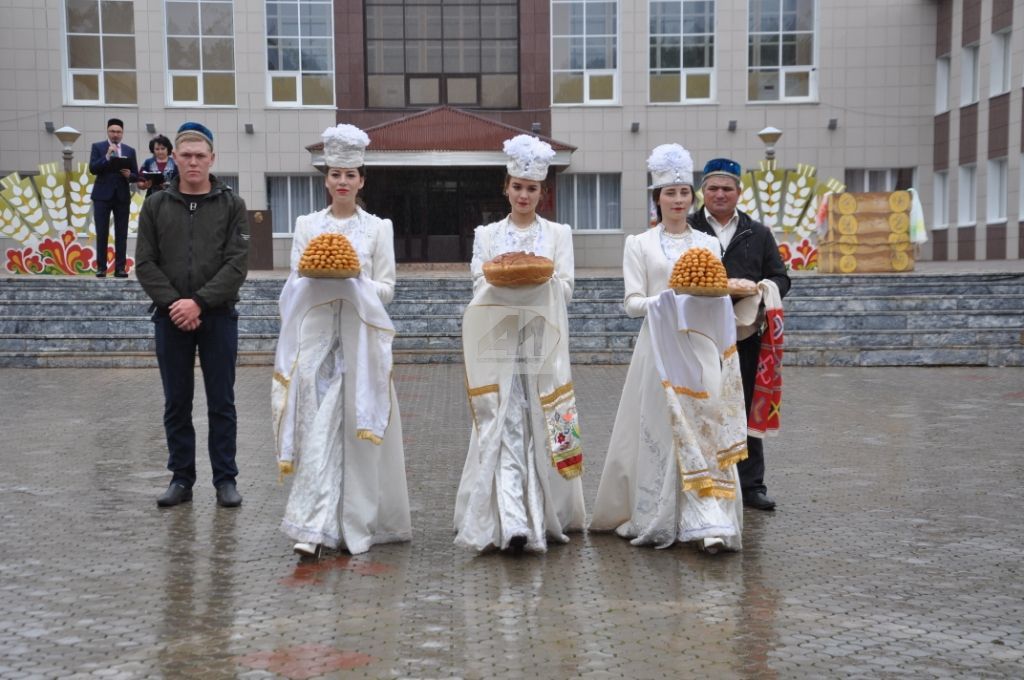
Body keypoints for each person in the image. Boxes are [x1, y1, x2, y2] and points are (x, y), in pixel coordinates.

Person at [591, 144, 746, 553]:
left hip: (700, 348)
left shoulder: (709, 245)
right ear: (656, 198)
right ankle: (658, 514)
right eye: (669, 193)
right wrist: (667, 300)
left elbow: (714, 294)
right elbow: (631, 303)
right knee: (662, 430)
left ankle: (710, 520)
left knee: (706, 427)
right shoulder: (638, 244)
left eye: (683, 193)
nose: (678, 201)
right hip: (658, 348)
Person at [271, 124, 411, 558]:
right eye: (335, 174)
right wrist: (321, 277)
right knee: (316, 427)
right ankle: (313, 525)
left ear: (362, 180)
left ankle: (356, 523)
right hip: (316, 342)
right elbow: (295, 282)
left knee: (358, 432)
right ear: (326, 178)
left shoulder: (377, 229)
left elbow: (387, 288)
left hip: (361, 343)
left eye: (351, 175)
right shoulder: (307, 225)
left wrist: (356, 281)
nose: (343, 182)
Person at [454, 134, 586, 553]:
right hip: (499, 342)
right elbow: (480, 283)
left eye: (532, 188)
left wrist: (534, 284)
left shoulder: (559, 234)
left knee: (546, 420)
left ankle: (551, 513)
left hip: (544, 343)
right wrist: (514, 288)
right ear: (506, 188)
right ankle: (511, 519)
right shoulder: (487, 235)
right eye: (517, 186)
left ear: (542, 193)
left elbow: (564, 288)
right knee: (504, 422)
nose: (524, 194)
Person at [135, 121, 249, 509]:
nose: (194, 162)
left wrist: (198, 302)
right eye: (186, 155)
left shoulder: (232, 204)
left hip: (218, 316)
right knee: (176, 403)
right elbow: (145, 263)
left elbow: (237, 264)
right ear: (173, 159)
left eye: (201, 155)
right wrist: (175, 304)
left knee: (222, 402)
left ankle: (225, 481)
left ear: (212, 158)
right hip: (170, 318)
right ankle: (181, 478)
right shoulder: (156, 205)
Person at [689, 158, 791, 511]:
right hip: (698, 334)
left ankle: (750, 485)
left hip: (745, 335)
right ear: (703, 191)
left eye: (727, 188)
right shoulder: (687, 229)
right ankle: (701, 476)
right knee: (699, 404)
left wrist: (762, 287)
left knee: (745, 405)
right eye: (713, 188)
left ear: (738, 193)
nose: (720, 194)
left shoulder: (757, 233)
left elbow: (782, 276)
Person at [89, 118, 139, 277]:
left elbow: (136, 175)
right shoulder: (98, 147)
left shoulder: (130, 151)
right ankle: (101, 268)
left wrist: (129, 175)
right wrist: (107, 156)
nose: (115, 134)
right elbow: (93, 169)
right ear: (107, 131)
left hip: (122, 196)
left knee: (121, 233)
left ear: (122, 133)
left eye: (118, 132)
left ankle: (120, 268)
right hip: (102, 196)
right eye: (112, 131)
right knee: (102, 232)